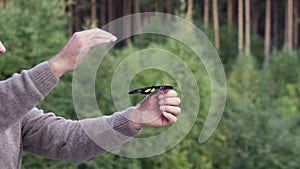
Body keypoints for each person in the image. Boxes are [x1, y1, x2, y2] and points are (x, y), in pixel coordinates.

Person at [0, 28, 181, 168]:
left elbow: (68, 140)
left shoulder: (15, 111)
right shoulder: (8, 104)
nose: (2, 48)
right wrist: (58, 65)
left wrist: (135, 119)